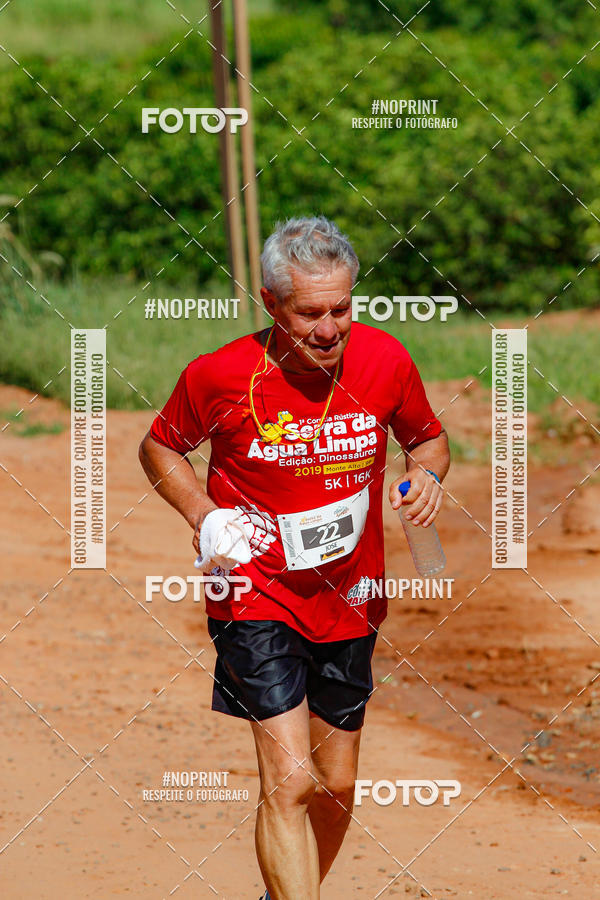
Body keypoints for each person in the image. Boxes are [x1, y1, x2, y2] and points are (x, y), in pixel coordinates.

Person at [138, 216, 450, 899]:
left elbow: (427, 438)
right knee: (292, 780)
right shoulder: (218, 375)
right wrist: (204, 513)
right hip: (255, 593)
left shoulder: (387, 360)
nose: (330, 329)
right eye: (309, 314)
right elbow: (160, 447)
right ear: (271, 303)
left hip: (351, 594)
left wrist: (426, 474)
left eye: (341, 308)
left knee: (335, 785)